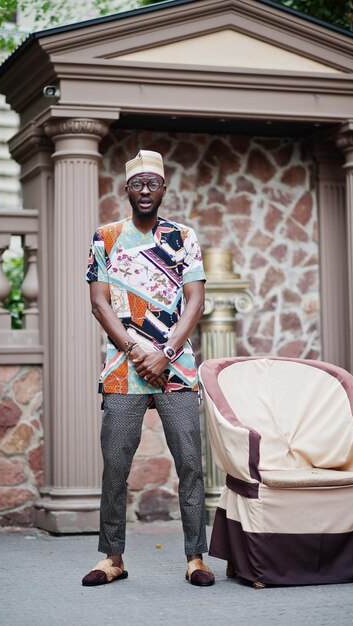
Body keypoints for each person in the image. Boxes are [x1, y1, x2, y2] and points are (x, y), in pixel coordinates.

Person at [82, 149, 215, 587]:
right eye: (136, 184)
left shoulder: (183, 237)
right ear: (126, 189)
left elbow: (195, 300)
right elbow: (99, 302)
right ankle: (112, 558)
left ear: (163, 189)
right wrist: (139, 353)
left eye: (151, 184)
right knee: (116, 464)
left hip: (177, 367)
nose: (144, 191)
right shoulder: (106, 237)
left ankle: (196, 557)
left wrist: (166, 352)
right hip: (123, 367)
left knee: (191, 463)